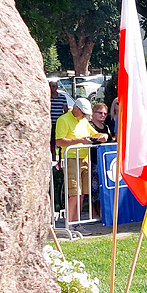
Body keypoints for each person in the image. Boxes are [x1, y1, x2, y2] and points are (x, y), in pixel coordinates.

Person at [55, 98, 108, 233]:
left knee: (82, 193)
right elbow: (59, 141)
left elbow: (92, 134)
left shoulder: (83, 121)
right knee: (74, 192)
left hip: (84, 158)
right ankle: (71, 223)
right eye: (83, 113)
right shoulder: (63, 119)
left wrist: (102, 136)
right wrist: (79, 141)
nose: (85, 116)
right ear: (76, 108)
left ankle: (76, 223)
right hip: (71, 158)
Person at [49, 78, 73, 158]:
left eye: (54, 86)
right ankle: (53, 158)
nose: (52, 88)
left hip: (59, 123)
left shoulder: (62, 97)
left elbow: (65, 110)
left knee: (60, 141)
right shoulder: (47, 98)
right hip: (50, 123)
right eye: (51, 86)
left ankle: (60, 159)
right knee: (51, 142)